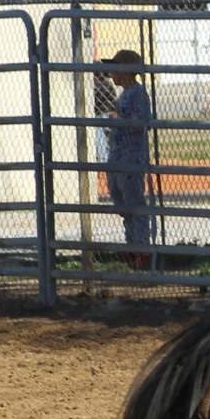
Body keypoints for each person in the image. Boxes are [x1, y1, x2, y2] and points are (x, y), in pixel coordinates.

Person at [104, 49, 152, 265]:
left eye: (115, 67)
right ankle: (131, 243)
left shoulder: (138, 93)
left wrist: (119, 119)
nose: (111, 72)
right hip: (118, 155)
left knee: (135, 203)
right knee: (120, 200)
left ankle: (140, 247)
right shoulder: (123, 94)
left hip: (131, 156)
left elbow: (141, 123)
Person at [93, 69, 116, 165]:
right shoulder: (107, 83)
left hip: (102, 114)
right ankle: (106, 158)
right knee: (107, 139)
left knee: (100, 136)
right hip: (107, 114)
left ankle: (104, 159)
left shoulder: (100, 85)